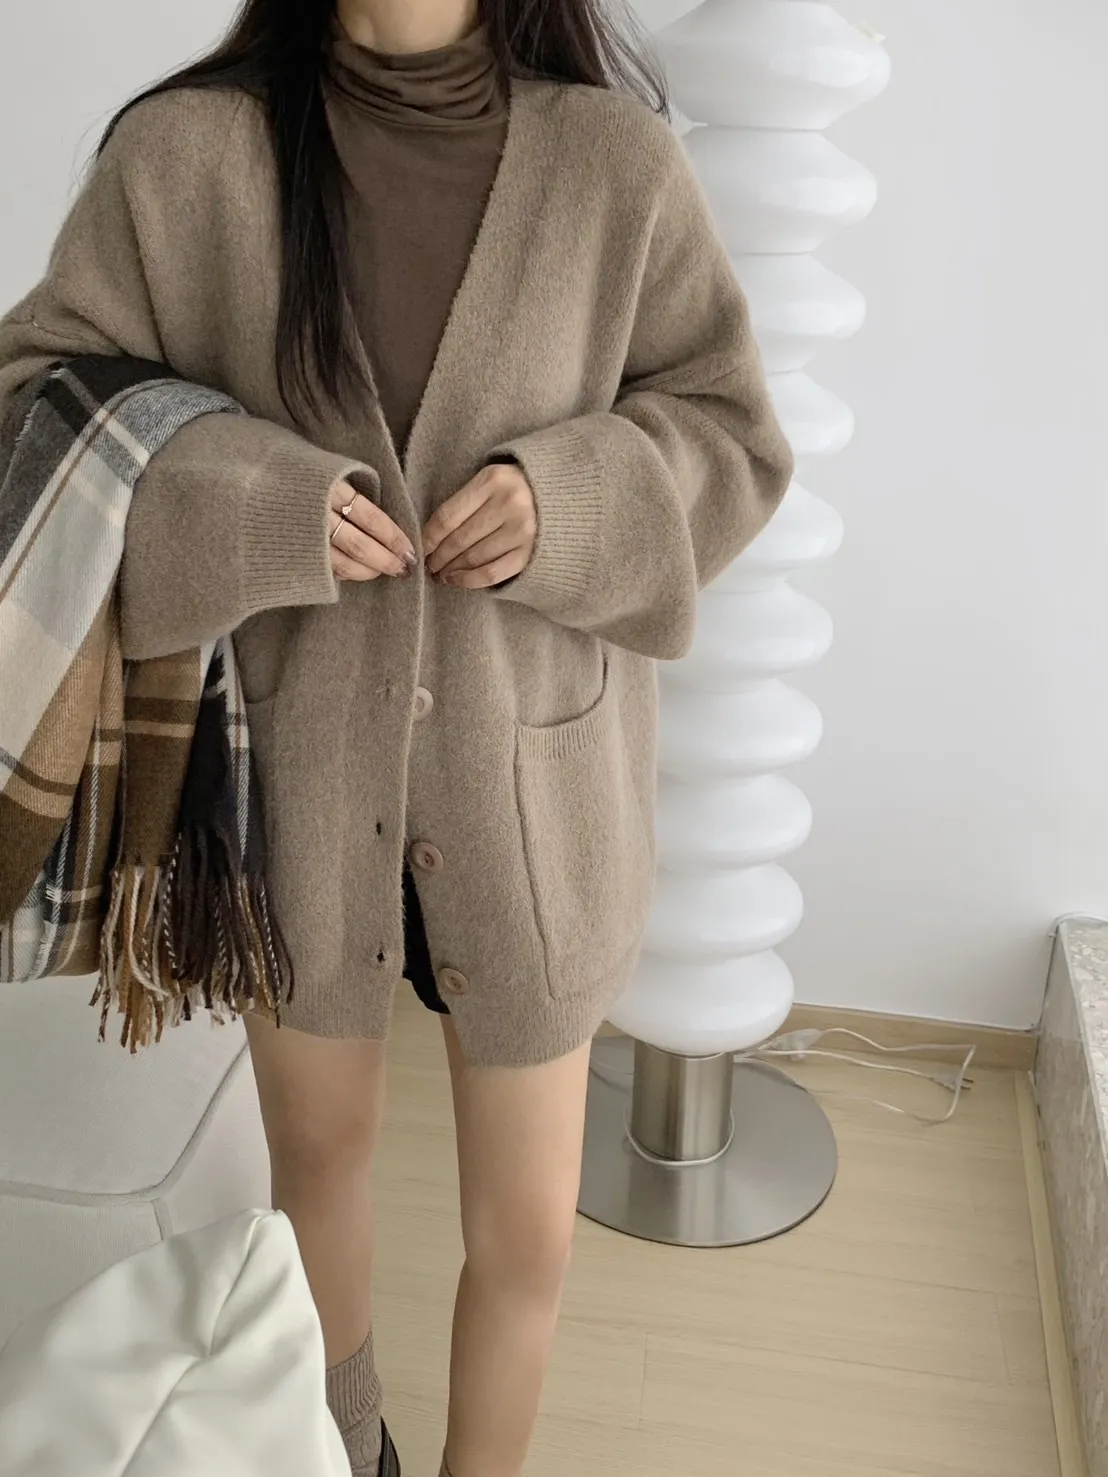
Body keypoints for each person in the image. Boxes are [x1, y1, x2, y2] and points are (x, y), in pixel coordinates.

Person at [0, 0, 793, 1472]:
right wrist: (250, 502)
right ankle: (345, 1453)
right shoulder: (186, 156)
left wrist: (572, 501)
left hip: (535, 795)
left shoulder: (613, 167)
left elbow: (730, 433)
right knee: (318, 1181)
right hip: (299, 788)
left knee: (527, 1233)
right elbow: (30, 404)